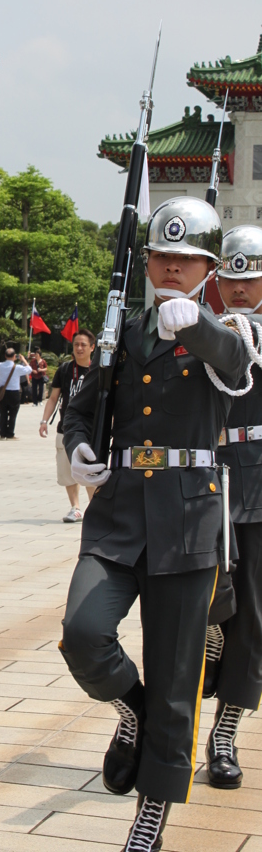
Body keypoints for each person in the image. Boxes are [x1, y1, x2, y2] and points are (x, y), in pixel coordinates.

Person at [60, 197, 250, 852]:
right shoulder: (123, 333)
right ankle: (130, 713)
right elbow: (81, 407)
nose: (171, 268)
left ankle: (152, 816)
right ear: (148, 262)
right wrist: (80, 444)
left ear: (207, 269)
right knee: (83, 632)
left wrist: (195, 325)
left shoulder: (232, 330)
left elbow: (234, 364)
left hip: (188, 517)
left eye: (186, 259)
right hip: (117, 513)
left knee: (176, 676)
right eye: (162, 257)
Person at [202, 225, 262, 791]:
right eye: (232, 277)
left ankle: (225, 732)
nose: (239, 289)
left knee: (254, 618)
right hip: (212, 483)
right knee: (208, 600)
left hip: (261, 486)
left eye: (251, 277)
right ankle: (213, 643)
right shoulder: (202, 326)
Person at [39, 328, 96, 522]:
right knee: (66, 470)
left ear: (92, 347)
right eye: (76, 345)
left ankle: (94, 508)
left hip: (91, 429)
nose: (79, 348)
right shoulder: (65, 370)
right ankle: (75, 507)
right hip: (66, 427)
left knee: (91, 470)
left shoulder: (99, 370)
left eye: (83, 345)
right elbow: (54, 397)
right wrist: (44, 421)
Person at [0, 348, 31, 439]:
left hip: (3, 393)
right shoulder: (17, 367)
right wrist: (23, 360)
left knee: (3, 413)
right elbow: (29, 369)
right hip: (14, 393)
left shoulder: (0, 365)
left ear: (5, 356)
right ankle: (10, 434)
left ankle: (2, 434)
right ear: (15, 356)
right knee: (13, 414)